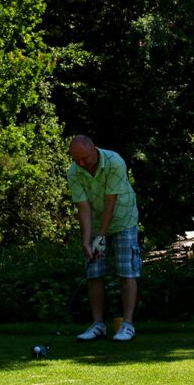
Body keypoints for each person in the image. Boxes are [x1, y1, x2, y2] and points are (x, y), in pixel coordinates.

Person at [66, 134, 142, 342]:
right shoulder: (74, 172)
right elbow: (83, 208)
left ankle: (127, 325)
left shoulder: (114, 161)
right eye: (76, 160)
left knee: (126, 270)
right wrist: (86, 240)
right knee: (94, 271)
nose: (81, 163)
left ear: (94, 149)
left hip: (124, 219)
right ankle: (98, 324)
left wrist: (100, 236)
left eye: (84, 158)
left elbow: (111, 202)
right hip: (96, 223)